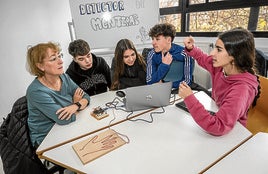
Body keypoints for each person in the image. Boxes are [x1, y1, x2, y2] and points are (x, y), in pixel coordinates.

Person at [180, 28, 260, 136]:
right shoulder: (221, 68)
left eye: (219, 49)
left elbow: (218, 126)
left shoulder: (242, 89)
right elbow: (203, 58)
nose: (212, 53)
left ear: (234, 56)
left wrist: (189, 98)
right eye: (214, 48)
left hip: (234, 133)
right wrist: (191, 48)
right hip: (217, 111)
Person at [26, 42, 90, 147]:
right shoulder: (35, 91)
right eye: (53, 59)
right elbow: (64, 119)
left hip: (68, 130)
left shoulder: (64, 77)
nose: (60, 61)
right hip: (47, 140)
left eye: (59, 56)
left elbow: (86, 97)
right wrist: (76, 103)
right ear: (40, 66)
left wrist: (75, 105)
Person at [146, 23, 194, 88]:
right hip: (159, 90)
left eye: (157, 39)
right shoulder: (152, 54)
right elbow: (149, 81)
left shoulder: (185, 54)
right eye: (152, 39)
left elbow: (187, 81)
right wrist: (164, 65)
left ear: (168, 40)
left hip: (180, 90)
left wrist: (165, 85)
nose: (153, 43)